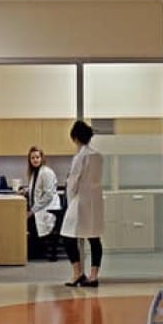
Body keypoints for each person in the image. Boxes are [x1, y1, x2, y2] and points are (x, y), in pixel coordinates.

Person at [59, 121, 105, 287]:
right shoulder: (98, 156)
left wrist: (70, 200)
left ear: (76, 138)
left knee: (67, 236)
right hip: (95, 200)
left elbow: (73, 181)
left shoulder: (80, 157)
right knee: (94, 237)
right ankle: (93, 276)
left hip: (80, 200)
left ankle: (77, 273)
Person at [25, 146, 61, 262]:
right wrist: (26, 191)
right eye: (32, 158)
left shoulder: (46, 172)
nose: (35, 160)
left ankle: (36, 251)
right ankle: (36, 250)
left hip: (48, 208)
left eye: (37, 157)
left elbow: (48, 196)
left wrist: (32, 210)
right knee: (28, 220)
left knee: (28, 221)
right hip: (40, 207)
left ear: (42, 158)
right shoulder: (35, 173)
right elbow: (37, 189)